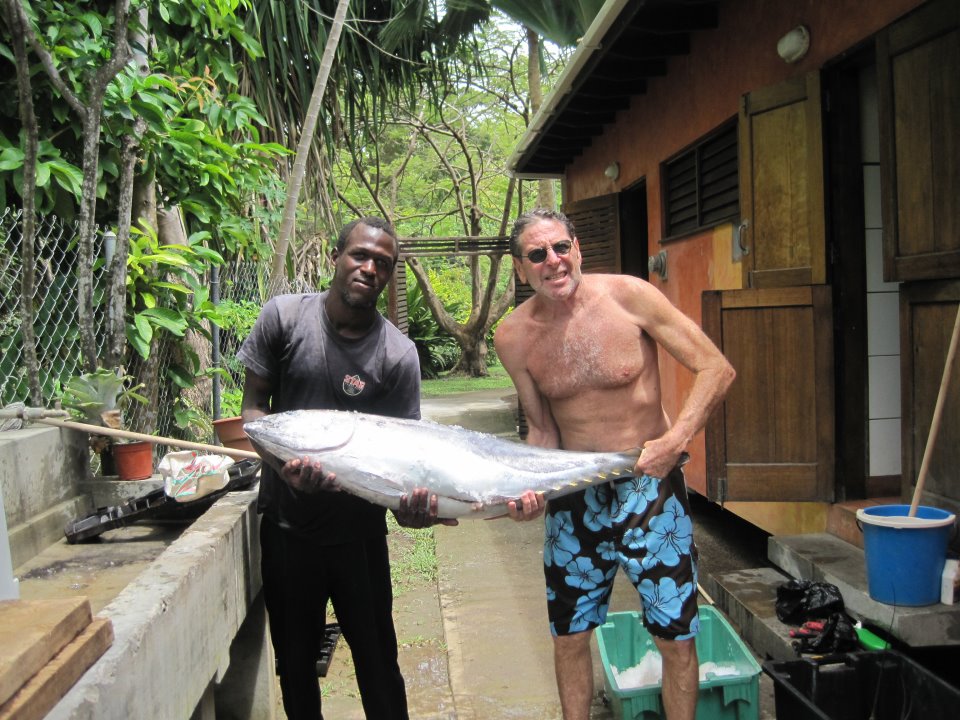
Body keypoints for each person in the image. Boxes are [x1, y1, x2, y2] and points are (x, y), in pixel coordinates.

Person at [494, 208, 735, 720]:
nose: (553, 261)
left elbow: (716, 367)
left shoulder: (630, 296)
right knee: (568, 634)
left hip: (649, 483)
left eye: (561, 247)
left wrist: (675, 439)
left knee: (675, 635)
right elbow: (542, 429)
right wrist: (529, 489)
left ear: (577, 248)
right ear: (520, 268)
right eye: (537, 254)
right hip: (574, 492)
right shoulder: (513, 336)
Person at [238, 216, 453, 720]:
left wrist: (410, 510)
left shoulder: (397, 355)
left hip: (360, 538)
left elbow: (403, 459)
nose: (370, 268)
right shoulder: (284, 317)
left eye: (383, 263)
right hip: (288, 532)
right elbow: (253, 410)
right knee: (295, 669)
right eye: (360, 255)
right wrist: (282, 466)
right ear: (336, 257)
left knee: (379, 667)